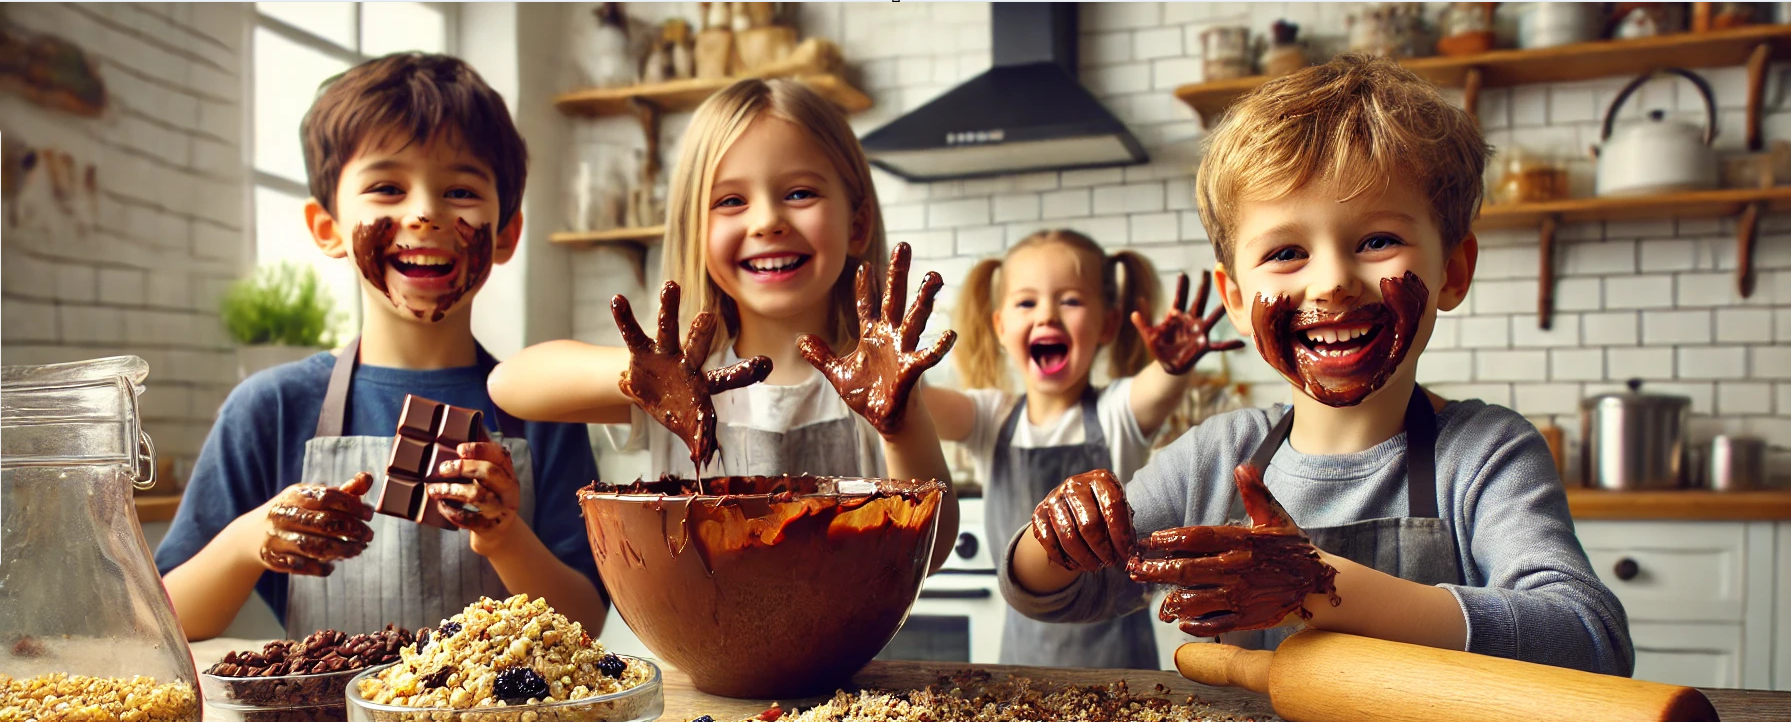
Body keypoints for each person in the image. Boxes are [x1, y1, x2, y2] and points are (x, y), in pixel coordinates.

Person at [1002, 54, 1634, 675]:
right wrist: (1057, 535)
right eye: (1286, 251)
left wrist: (1318, 586)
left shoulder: (1484, 456)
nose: (1333, 282)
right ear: (1238, 300)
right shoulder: (1217, 460)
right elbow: (1058, 594)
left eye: (1377, 241)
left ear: (1454, 271)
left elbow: (1589, 637)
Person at [156, 53, 606, 640]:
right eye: (388, 187)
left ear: (506, 235)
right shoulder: (269, 408)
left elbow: (587, 622)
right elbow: (162, 620)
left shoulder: (546, 408)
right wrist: (252, 539)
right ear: (329, 228)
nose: (424, 212)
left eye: (460, 189)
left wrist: (504, 535)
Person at [487, 78, 959, 572]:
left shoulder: (879, 389)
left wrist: (901, 426)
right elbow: (510, 384)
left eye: (799, 193)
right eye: (731, 201)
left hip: (851, 650)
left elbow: (931, 550)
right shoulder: (679, 383)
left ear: (857, 225)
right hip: (690, 648)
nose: (767, 221)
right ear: (697, 232)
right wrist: (645, 377)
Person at [923, 229, 1239, 669]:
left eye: (1070, 300)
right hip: (1021, 663)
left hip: (1119, 662)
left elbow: (1157, 389)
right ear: (1000, 326)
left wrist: (1173, 367)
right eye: (1026, 302)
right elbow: (918, 404)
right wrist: (897, 369)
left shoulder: (1116, 413)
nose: (1047, 316)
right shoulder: (988, 418)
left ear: (1108, 324)